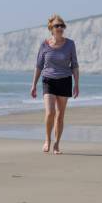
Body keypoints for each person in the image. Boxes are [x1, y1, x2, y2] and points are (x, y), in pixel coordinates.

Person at [30, 14, 79, 154]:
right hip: (48, 80)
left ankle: (57, 144)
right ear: (51, 28)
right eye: (57, 26)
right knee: (50, 112)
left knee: (60, 115)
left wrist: (76, 84)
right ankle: (47, 140)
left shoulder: (70, 44)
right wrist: (33, 84)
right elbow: (39, 65)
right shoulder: (44, 45)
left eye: (62, 26)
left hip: (64, 80)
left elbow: (74, 65)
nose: (60, 28)